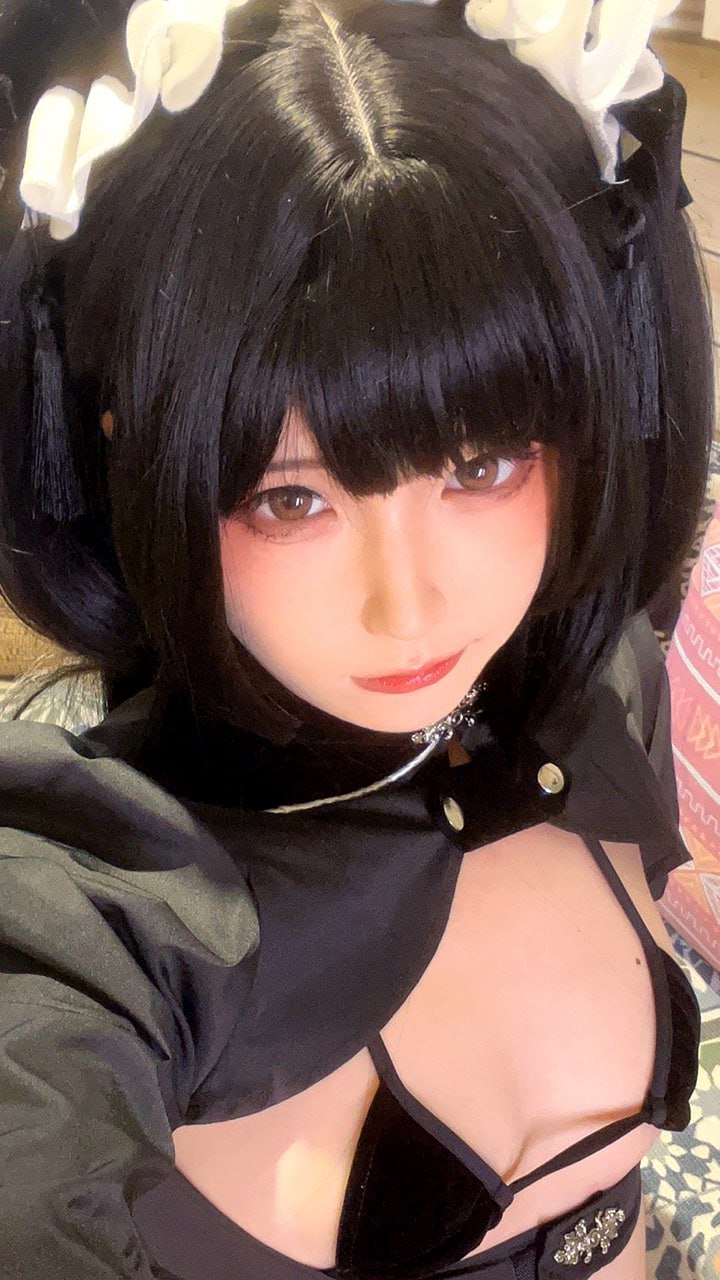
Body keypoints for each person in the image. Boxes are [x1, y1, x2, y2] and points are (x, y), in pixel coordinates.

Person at [0, 0, 714, 1277]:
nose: (412, 606)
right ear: (131, 459)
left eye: (481, 465)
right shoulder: (99, 908)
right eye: (291, 500)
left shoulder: (597, 684)